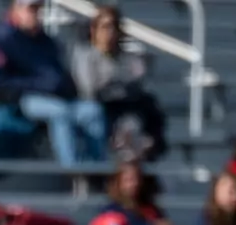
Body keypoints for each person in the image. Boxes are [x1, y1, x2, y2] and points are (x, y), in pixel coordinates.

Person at [0, 0, 104, 167]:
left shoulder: (45, 41)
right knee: (59, 112)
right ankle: (73, 170)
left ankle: (99, 170)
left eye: (38, 9)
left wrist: (62, 85)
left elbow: (58, 73)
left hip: (56, 96)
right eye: (30, 9)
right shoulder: (3, 39)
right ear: (15, 9)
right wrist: (39, 84)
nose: (35, 14)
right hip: (22, 99)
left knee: (92, 111)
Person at [70, 4, 165, 161]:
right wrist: (117, 83)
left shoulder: (124, 58)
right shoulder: (84, 55)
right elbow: (89, 90)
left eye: (114, 27)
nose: (110, 33)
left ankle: (143, 155)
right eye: (105, 27)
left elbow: (135, 84)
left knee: (147, 107)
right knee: (128, 123)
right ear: (94, 30)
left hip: (123, 107)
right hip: (99, 107)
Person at [100, 159, 169, 225]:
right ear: (119, 183)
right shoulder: (110, 212)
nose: (134, 184)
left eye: (137, 179)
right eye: (128, 180)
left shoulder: (151, 209)